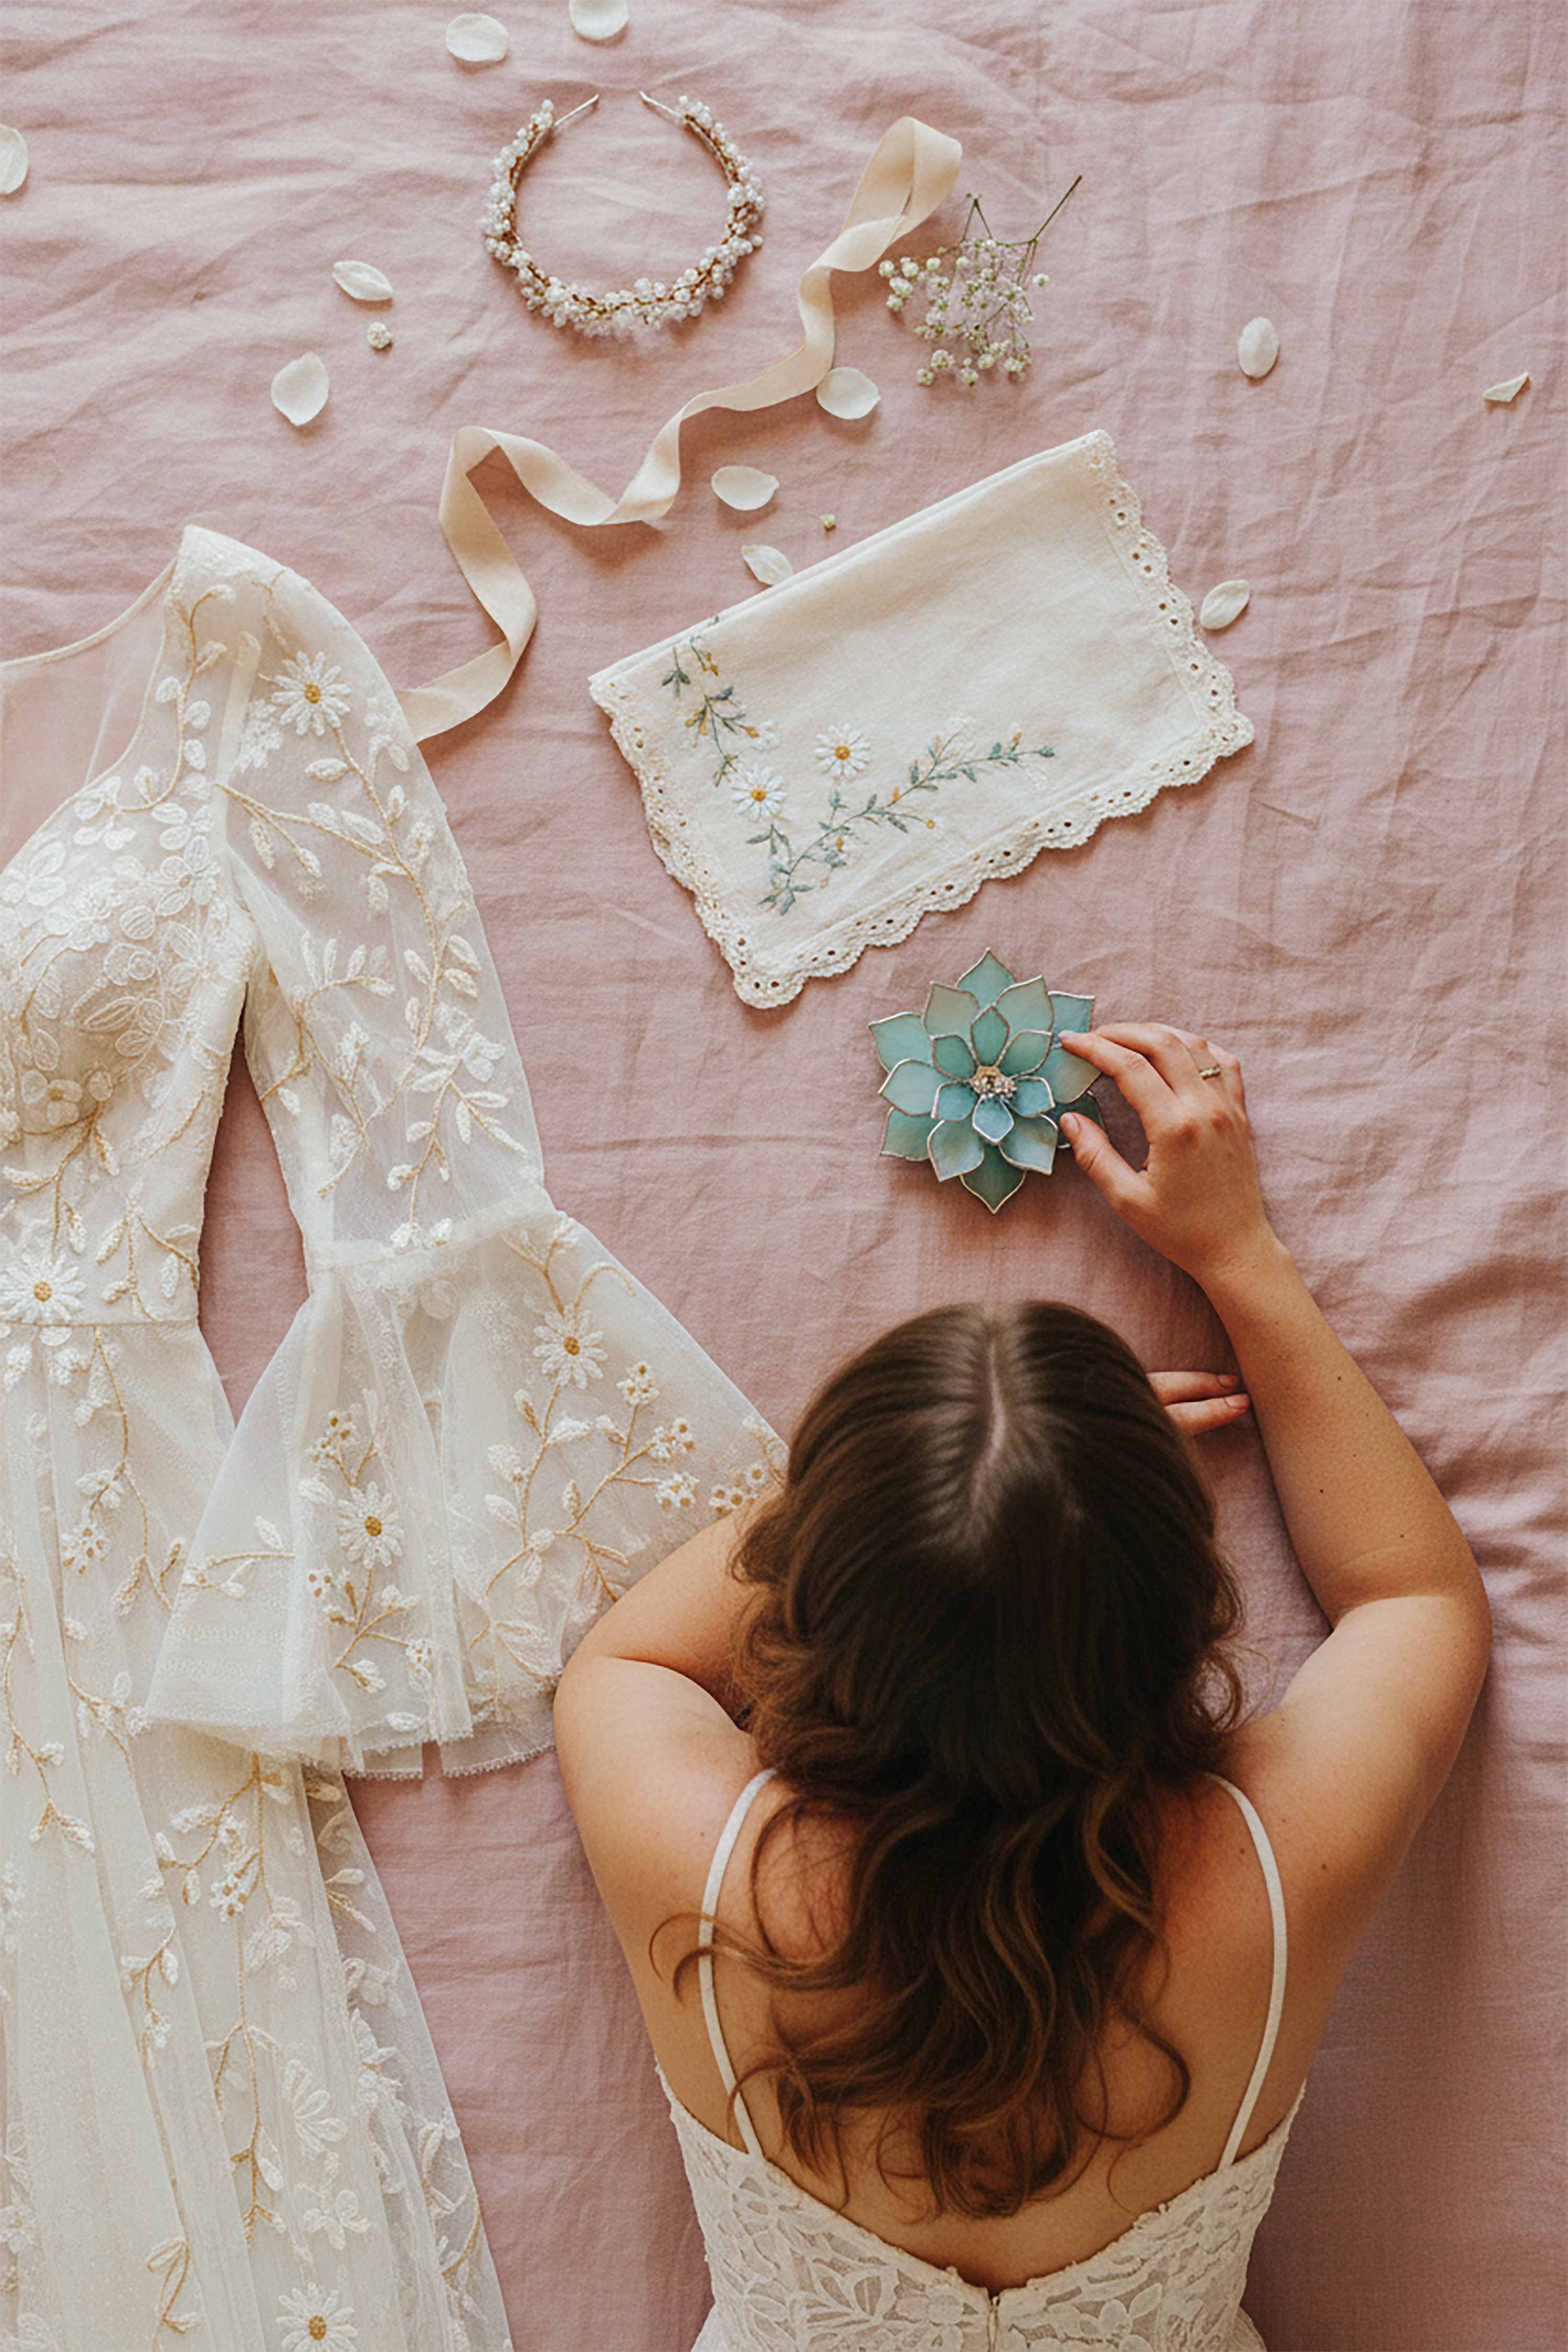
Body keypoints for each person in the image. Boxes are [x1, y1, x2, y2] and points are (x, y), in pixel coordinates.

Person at [553, 1024, 1491, 2350]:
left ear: (812, 1595)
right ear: (1183, 1616)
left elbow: (629, 1654)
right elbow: (1415, 1597)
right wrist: (1236, 1260)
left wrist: (932, 1498)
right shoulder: (1276, 1873)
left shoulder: (701, 1867)